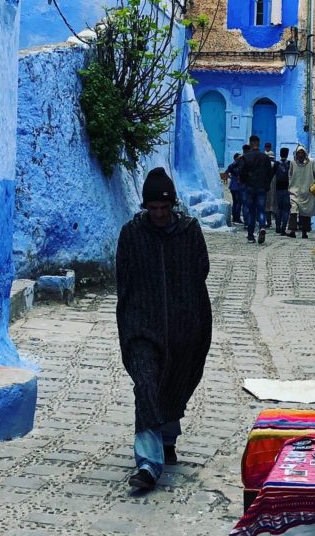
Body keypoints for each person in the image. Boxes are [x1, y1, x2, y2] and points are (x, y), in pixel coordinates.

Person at [116, 168, 212, 491]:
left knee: (174, 383)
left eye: (164, 208)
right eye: (153, 209)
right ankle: (147, 463)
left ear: (173, 207)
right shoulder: (132, 235)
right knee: (145, 383)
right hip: (143, 327)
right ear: (145, 207)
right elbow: (124, 279)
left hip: (183, 326)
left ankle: (167, 440)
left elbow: (202, 269)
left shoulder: (189, 232)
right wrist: (132, 319)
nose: (159, 214)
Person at [239, 135, 273, 245]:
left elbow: (241, 172)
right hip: (262, 187)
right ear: (259, 143)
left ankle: (250, 236)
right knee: (261, 210)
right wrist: (267, 184)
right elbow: (270, 172)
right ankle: (262, 226)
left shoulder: (245, 157)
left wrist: (245, 182)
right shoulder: (265, 157)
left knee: (251, 212)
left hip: (249, 187)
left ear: (250, 143)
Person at [286, 145, 315, 238]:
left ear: (305, 154)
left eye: (302, 153)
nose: (300, 155)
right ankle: (292, 230)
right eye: (298, 153)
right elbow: (290, 175)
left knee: (306, 212)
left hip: (307, 192)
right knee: (293, 210)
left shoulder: (311, 162)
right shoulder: (293, 163)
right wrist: (290, 185)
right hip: (295, 191)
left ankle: (304, 232)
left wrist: (313, 186)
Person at [273, 147, 292, 238]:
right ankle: (283, 228)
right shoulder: (290, 164)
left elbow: (271, 174)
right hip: (287, 189)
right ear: (287, 154)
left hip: (278, 189)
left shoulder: (277, 164)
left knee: (279, 208)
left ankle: (277, 226)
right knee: (286, 210)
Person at [225, 153, 244, 226]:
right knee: (239, 202)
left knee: (235, 202)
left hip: (233, 186)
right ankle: (237, 218)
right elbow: (226, 173)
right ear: (236, 158)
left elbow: (226, 173)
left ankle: (234, 217)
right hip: (237, 187)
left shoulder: (232, 165)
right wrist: (235, 178)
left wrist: (231, 178)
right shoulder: (237, 165)